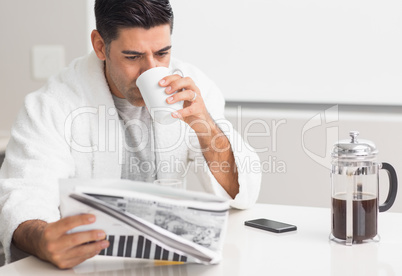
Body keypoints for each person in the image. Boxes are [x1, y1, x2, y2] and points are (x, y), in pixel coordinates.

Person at [0, 0, 261, 269]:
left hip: (166, 262)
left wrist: (204, 125)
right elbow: (23, 197)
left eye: (162, 53)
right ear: (100, 46)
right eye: (133, 57)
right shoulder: (53, 105)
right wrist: (44, 240)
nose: (150, 71)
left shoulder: (192, 88)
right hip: (87, 263)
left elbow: (241, 193)